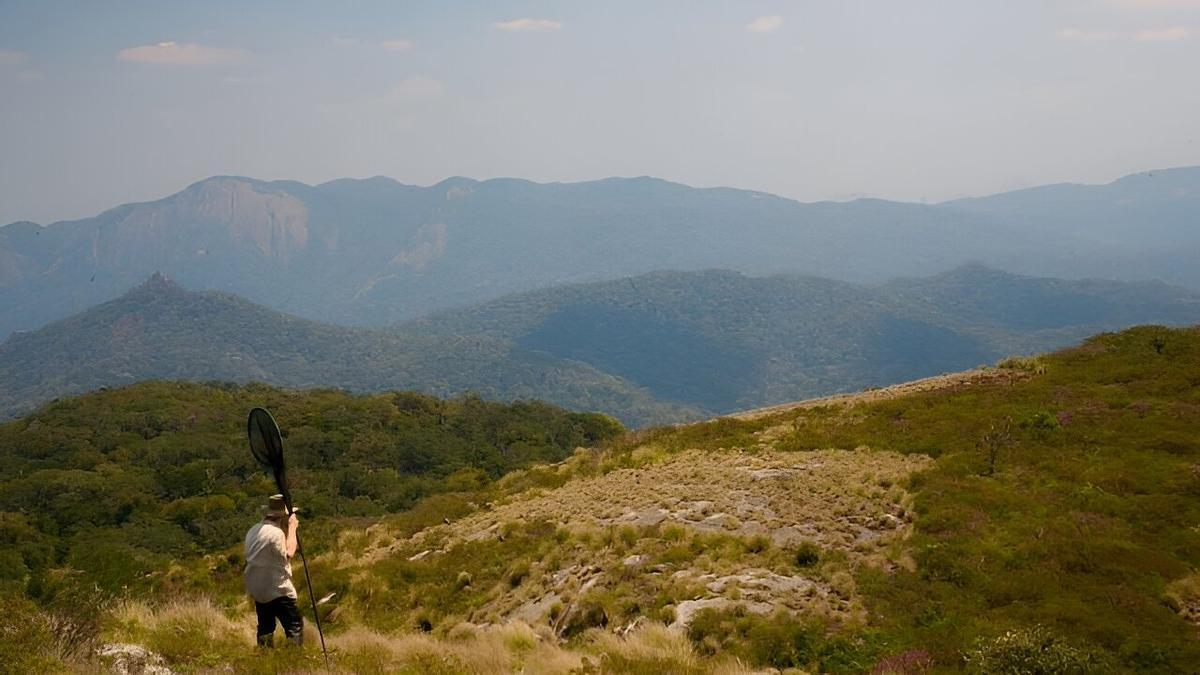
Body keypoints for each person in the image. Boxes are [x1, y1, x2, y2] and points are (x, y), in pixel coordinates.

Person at [244, 494, 303, 647]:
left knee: (265, 628)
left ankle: (264, 658)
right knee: (294, 625)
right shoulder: (276, 533)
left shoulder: (253, 530)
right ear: (283, 517)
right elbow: (290, 552)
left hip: (258, 590)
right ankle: (294, 662)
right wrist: (292, 527)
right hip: (277, 588)